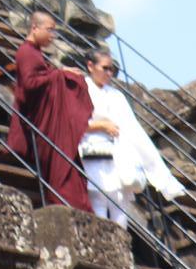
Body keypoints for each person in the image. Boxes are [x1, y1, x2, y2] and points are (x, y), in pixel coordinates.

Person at [80, 47, 186, 230]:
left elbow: (132, 129)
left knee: (119, 201)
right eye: (105, 68)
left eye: (111, 69)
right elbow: (74, 121)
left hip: (116, 153)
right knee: (98, 198)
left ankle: (119, 246)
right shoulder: (81, 89)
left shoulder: (116, 95)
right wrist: (101, 125)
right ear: (91, 66)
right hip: (92, 148)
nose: (109, 73)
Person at [7, 10, 94, 211]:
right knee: (61, 167)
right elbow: (29, 84)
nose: (53, 36)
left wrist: (59, 74)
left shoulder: (35, 52)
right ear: (35, 27)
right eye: (50, 30)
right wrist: (60, 74)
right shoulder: (26, 52)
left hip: (47, 118)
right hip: (40, 120)